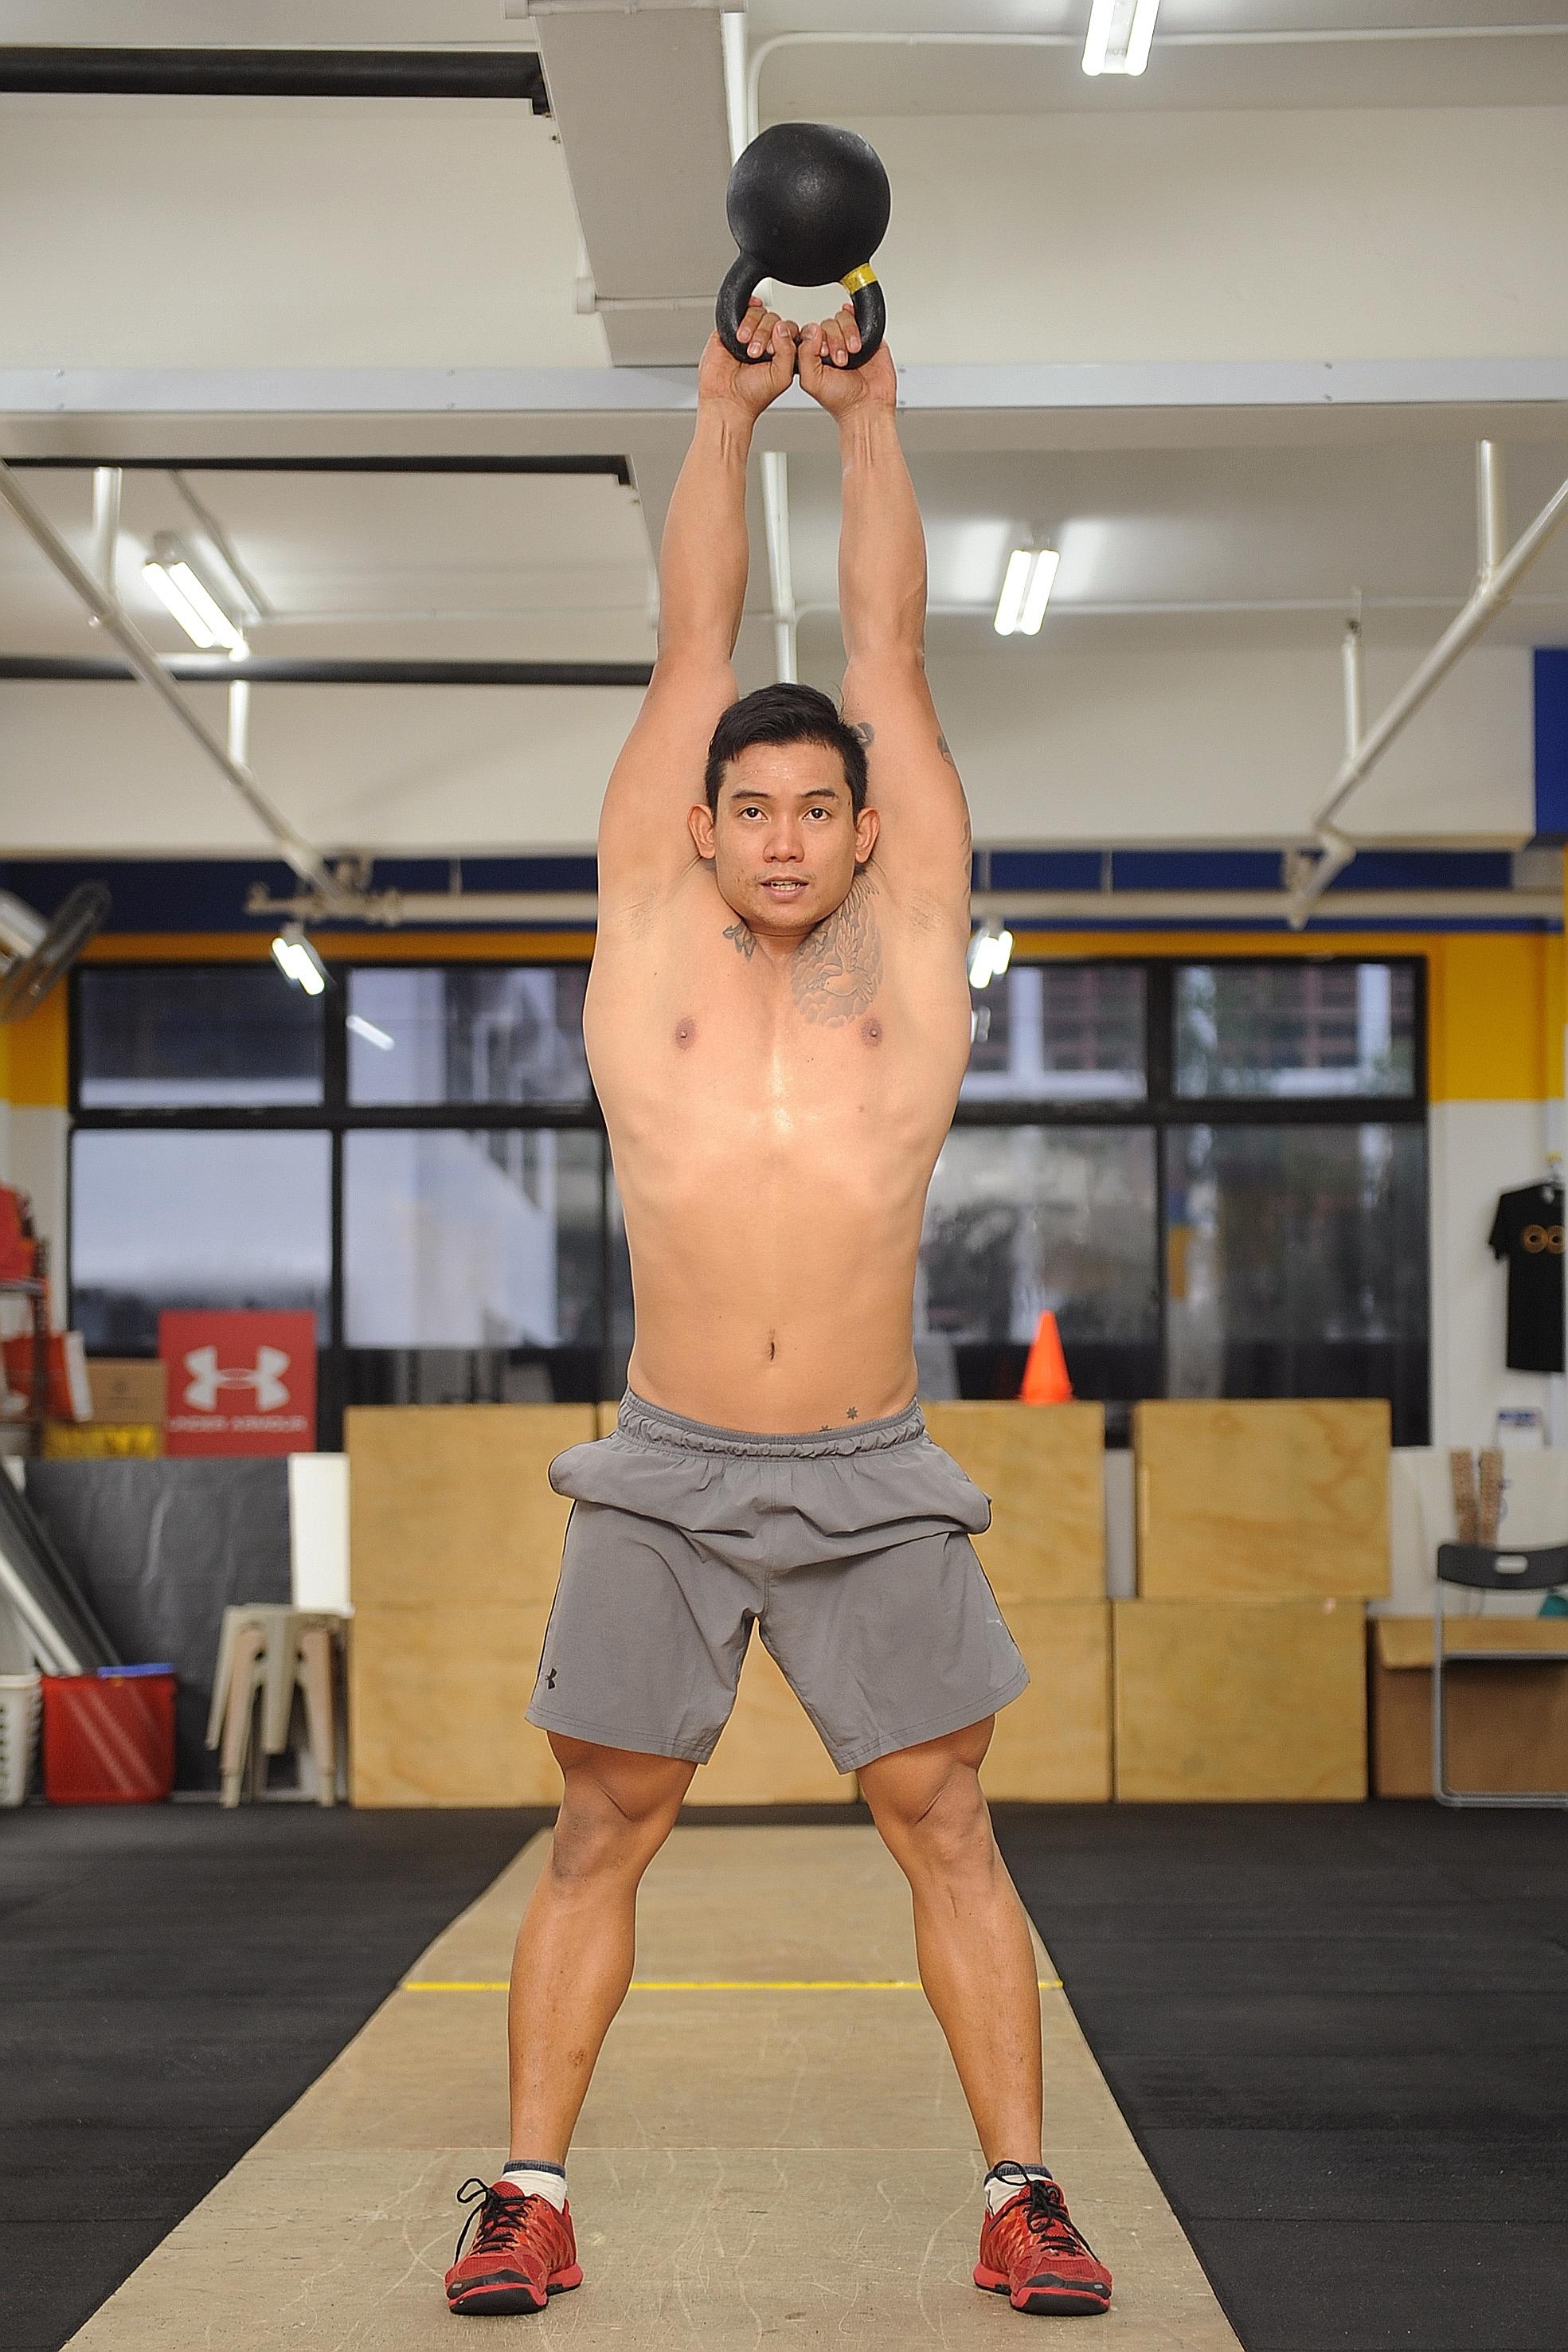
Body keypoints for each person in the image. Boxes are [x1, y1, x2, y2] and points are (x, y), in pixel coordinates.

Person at [444, 302, 1112, 2323]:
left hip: (868, 1462)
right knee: (599, 1828)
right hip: (660, 1466)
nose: (790, 835)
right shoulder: (646, 929)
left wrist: (876, 416)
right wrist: (725, 417)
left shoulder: (908, 953)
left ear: (868, 830)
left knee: (946, 1821)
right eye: (755, 809)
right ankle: (526, 2195)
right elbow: (691, 656)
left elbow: (889, 656)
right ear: (702, 830)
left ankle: (1019, 2192)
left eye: (822, 808)